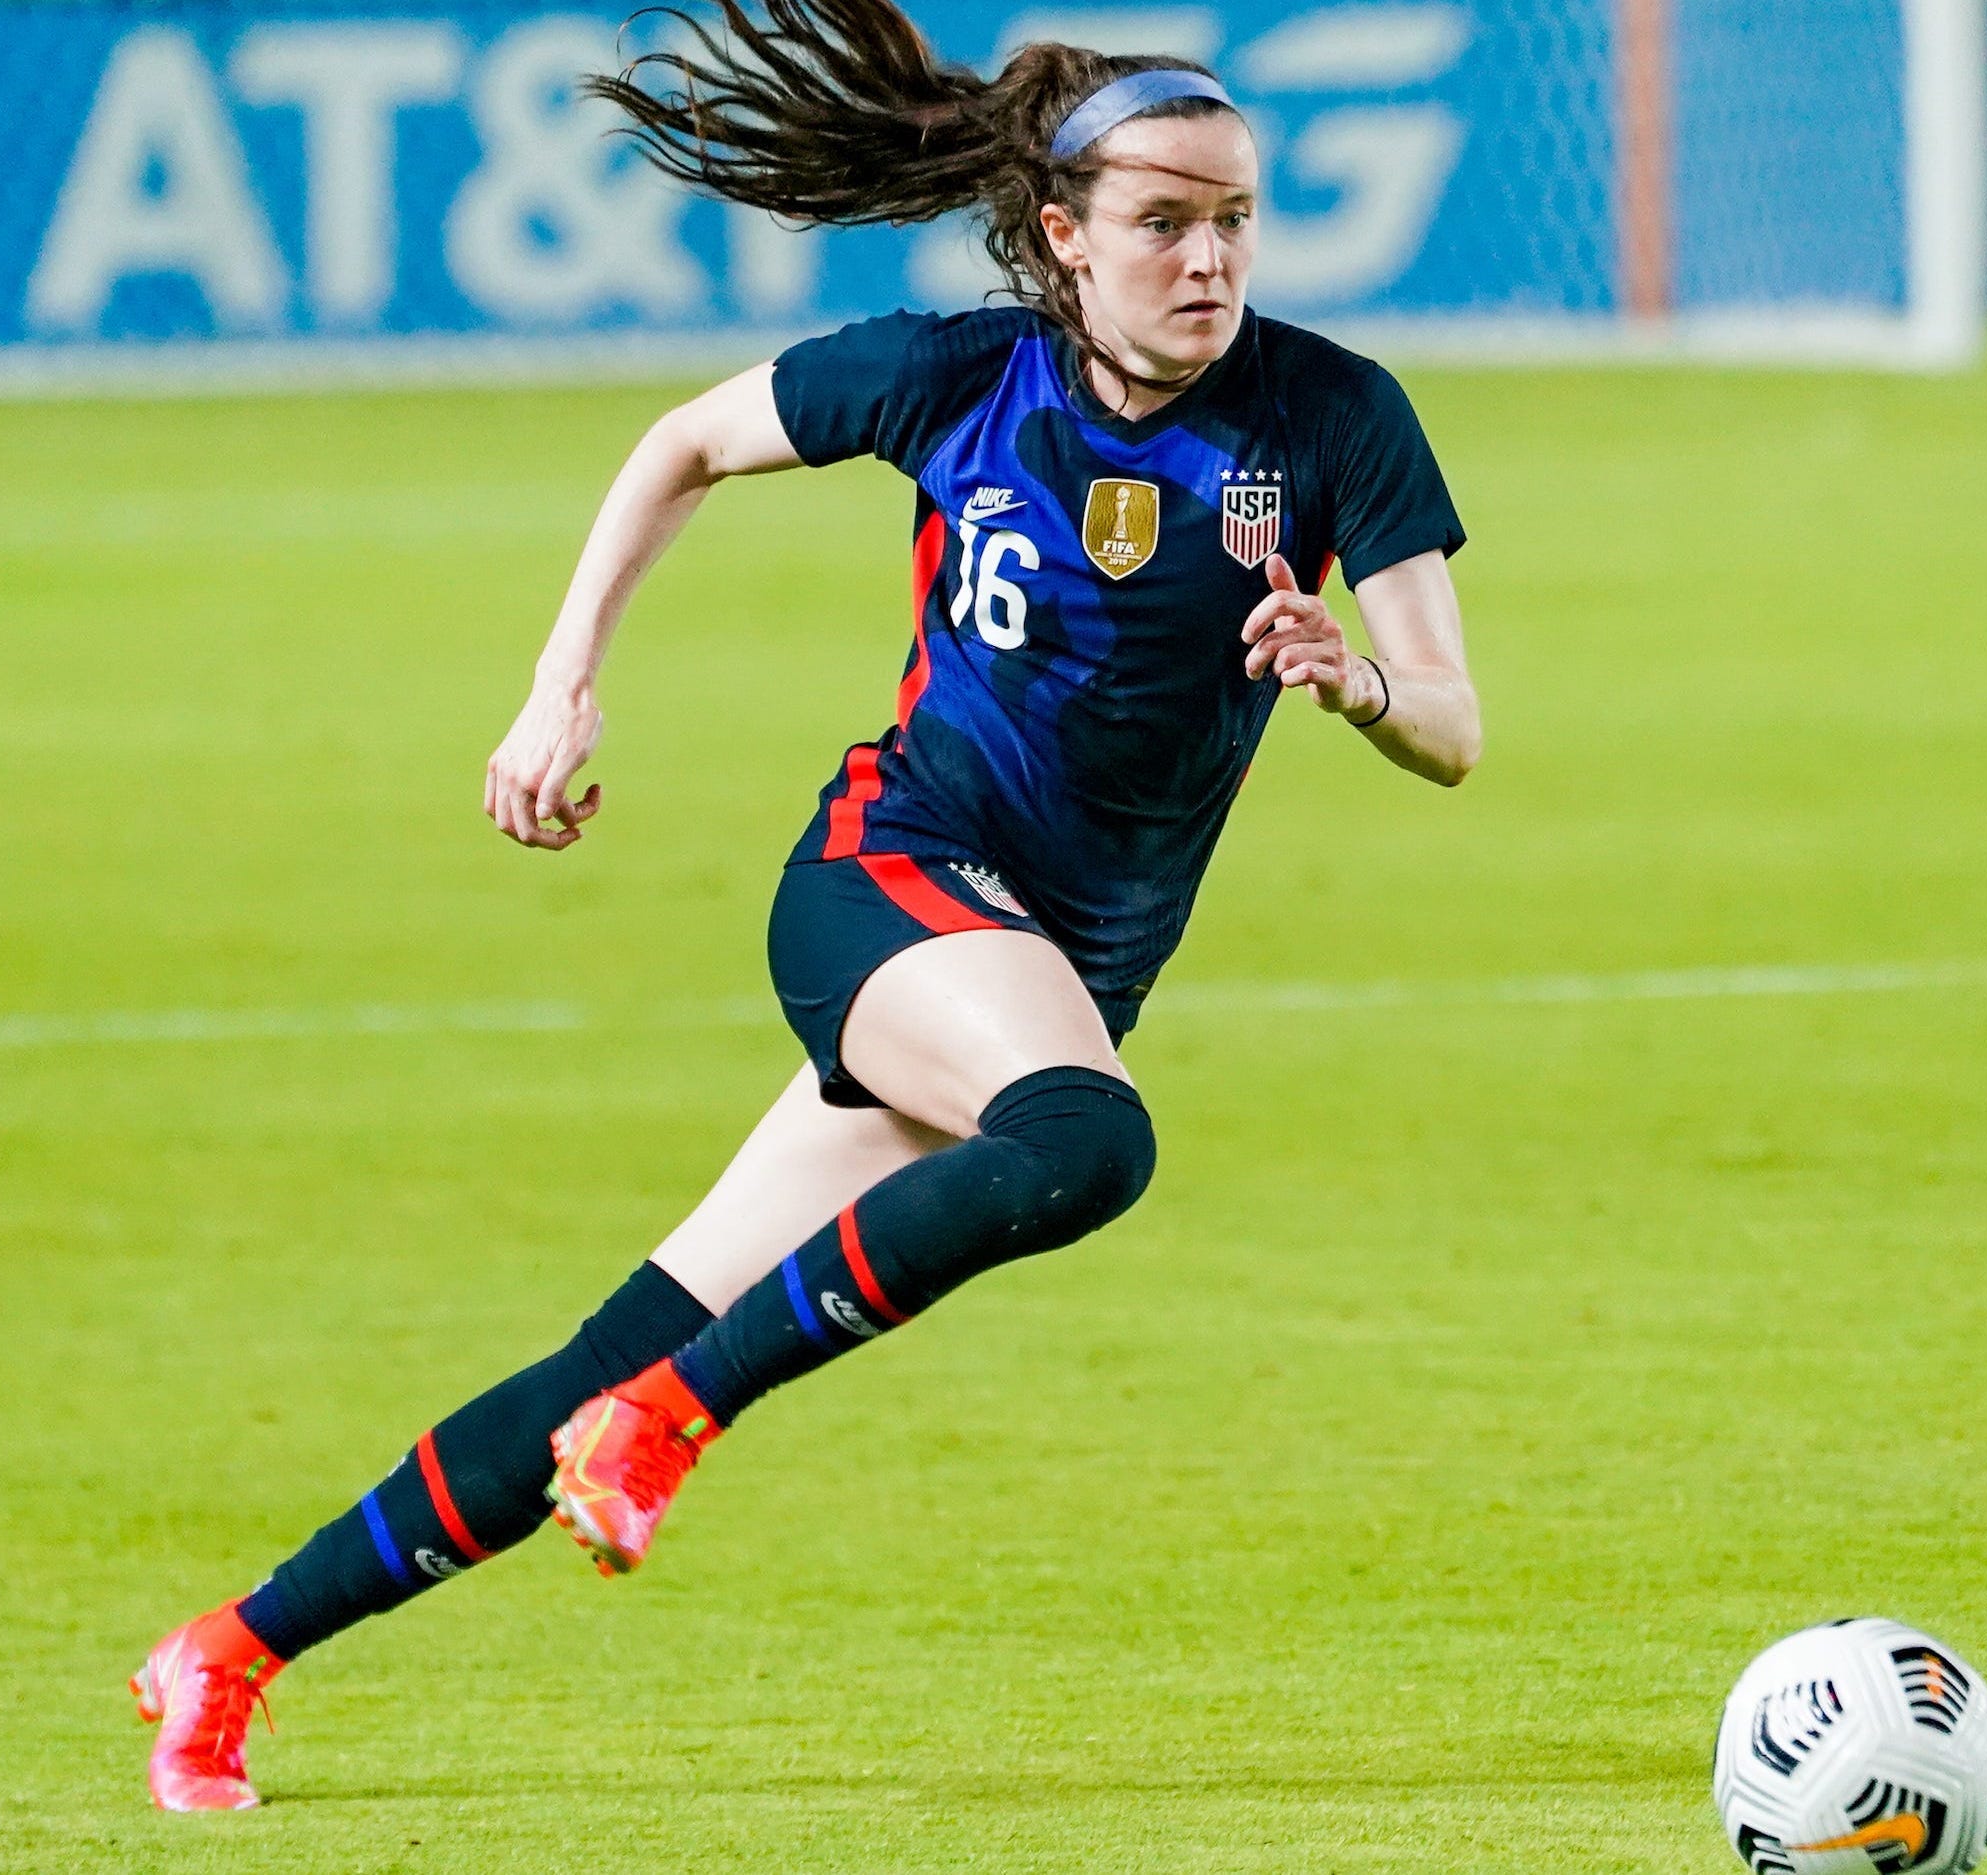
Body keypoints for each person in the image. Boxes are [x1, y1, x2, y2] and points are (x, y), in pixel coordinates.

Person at [129, 0, 1478, 1813]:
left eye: (1236, 218)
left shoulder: (1329, 420)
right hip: (886, 882)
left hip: (1042, 972)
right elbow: (680, 443)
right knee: (1089, 1146)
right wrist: (560, 685)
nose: (1212, 257)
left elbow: (1455, 725)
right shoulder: (955, 375)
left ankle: (229, 1652)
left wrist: (1360, 682)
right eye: (1166, 221)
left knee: (621, 1341)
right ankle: (677, 1425)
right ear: (1066, 234)